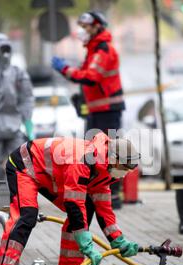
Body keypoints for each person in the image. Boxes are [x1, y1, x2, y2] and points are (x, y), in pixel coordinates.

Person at [0, 132, 140, 265]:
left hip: (49, 174)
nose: (124, 174)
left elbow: (104, 209)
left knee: (87, 208)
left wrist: (118, 240)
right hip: (25, 165)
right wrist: (85, 242)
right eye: (124, 168)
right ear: (114, 159)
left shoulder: (105, 172)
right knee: (26, 215)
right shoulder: (83, 159)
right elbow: (73, 202)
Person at [51, 11, 125, 209]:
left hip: (108, 110)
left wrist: (65, 69)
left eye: (86, 27)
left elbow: (91, 77)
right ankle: (97, 192)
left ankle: (113, 196)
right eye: (81, 27)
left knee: (110, 152)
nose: (82, 31)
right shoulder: (93, 50)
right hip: (97, 110)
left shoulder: (103, 50)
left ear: (97, 27)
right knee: (93, 153)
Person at [0, 33, 34, 180]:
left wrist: (28, 123)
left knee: (18, 164)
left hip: (14, 127)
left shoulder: (18, 74)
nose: (4, 52)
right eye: (1, 48)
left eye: (6, 48)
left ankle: (17, 197)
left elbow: (27, 98)